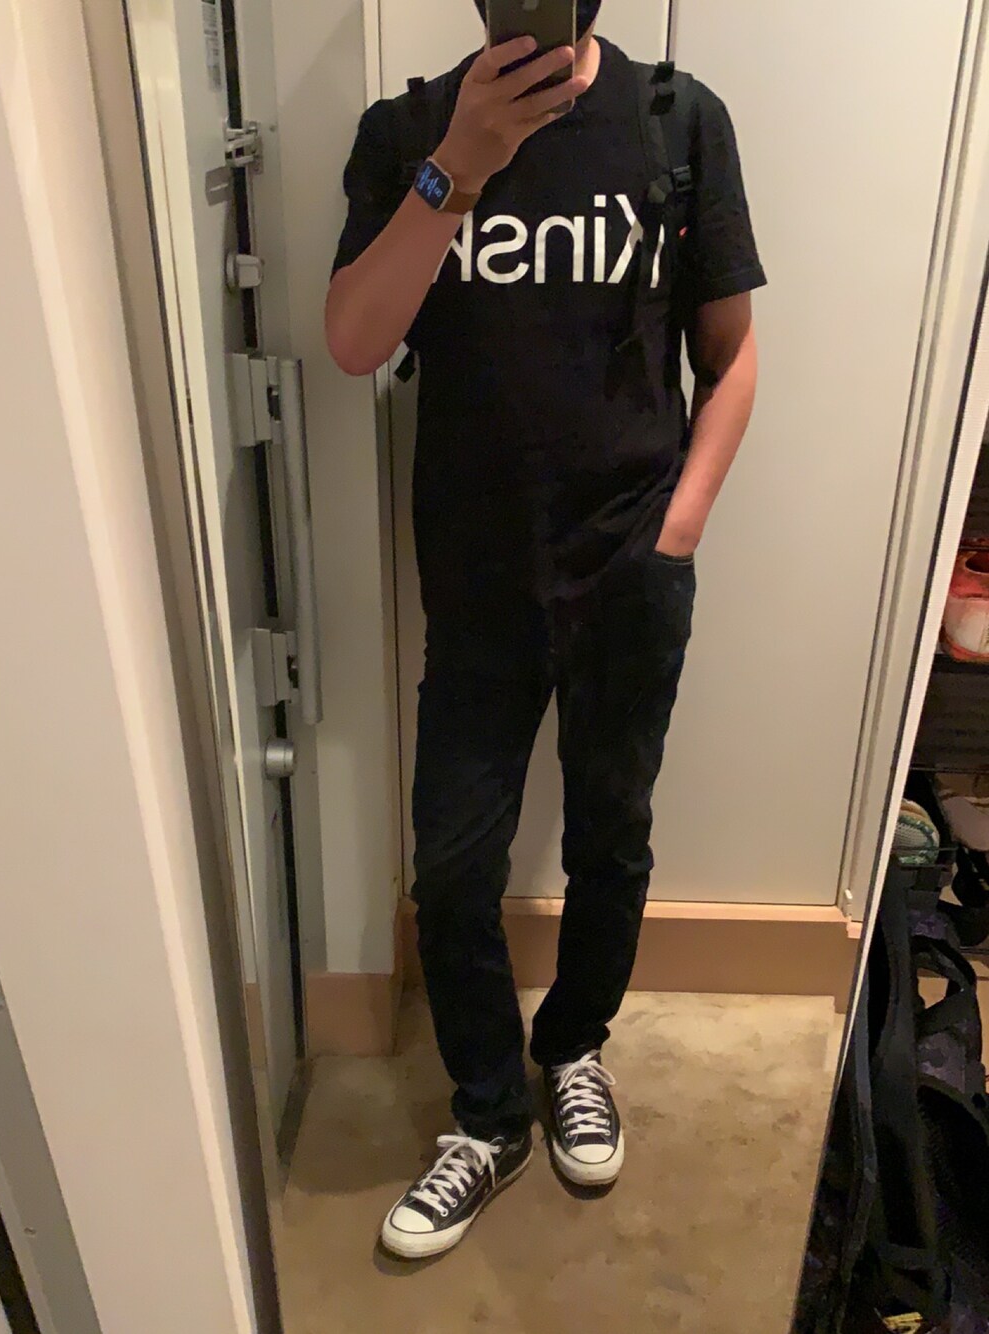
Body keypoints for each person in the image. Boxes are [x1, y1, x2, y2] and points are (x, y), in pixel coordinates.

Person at [327, 0, 764, 1260]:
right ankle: (486, 1111)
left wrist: (677, 528)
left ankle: (572, 1047)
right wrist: (458, 163)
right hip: (478, 577)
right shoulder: (406, 131)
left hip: (631, 566)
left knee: (609, 834)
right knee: (453, 867)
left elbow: (731, 356)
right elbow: (355, 341)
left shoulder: (678, 122)